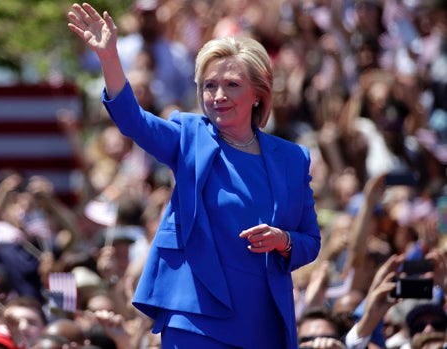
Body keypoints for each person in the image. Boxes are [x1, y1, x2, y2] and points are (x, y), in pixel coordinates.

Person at [67, 3, 321, 348]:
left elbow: (310, 241)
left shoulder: (292, 158)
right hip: (194, 314)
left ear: (258, 94)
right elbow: (133, 121)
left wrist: (283, 240)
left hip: (263, 320)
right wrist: (110, 58)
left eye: (231, 84)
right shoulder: (188, 136)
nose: (218, 96)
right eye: (209, 85)